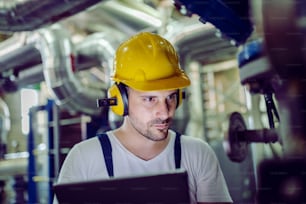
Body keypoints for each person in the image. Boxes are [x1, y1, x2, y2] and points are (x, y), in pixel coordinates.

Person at [54, 32, 233, 204]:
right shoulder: (85, 158)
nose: (165, 113)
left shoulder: (197, 154)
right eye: (150, 99)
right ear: (120, 100)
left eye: (170, 97)